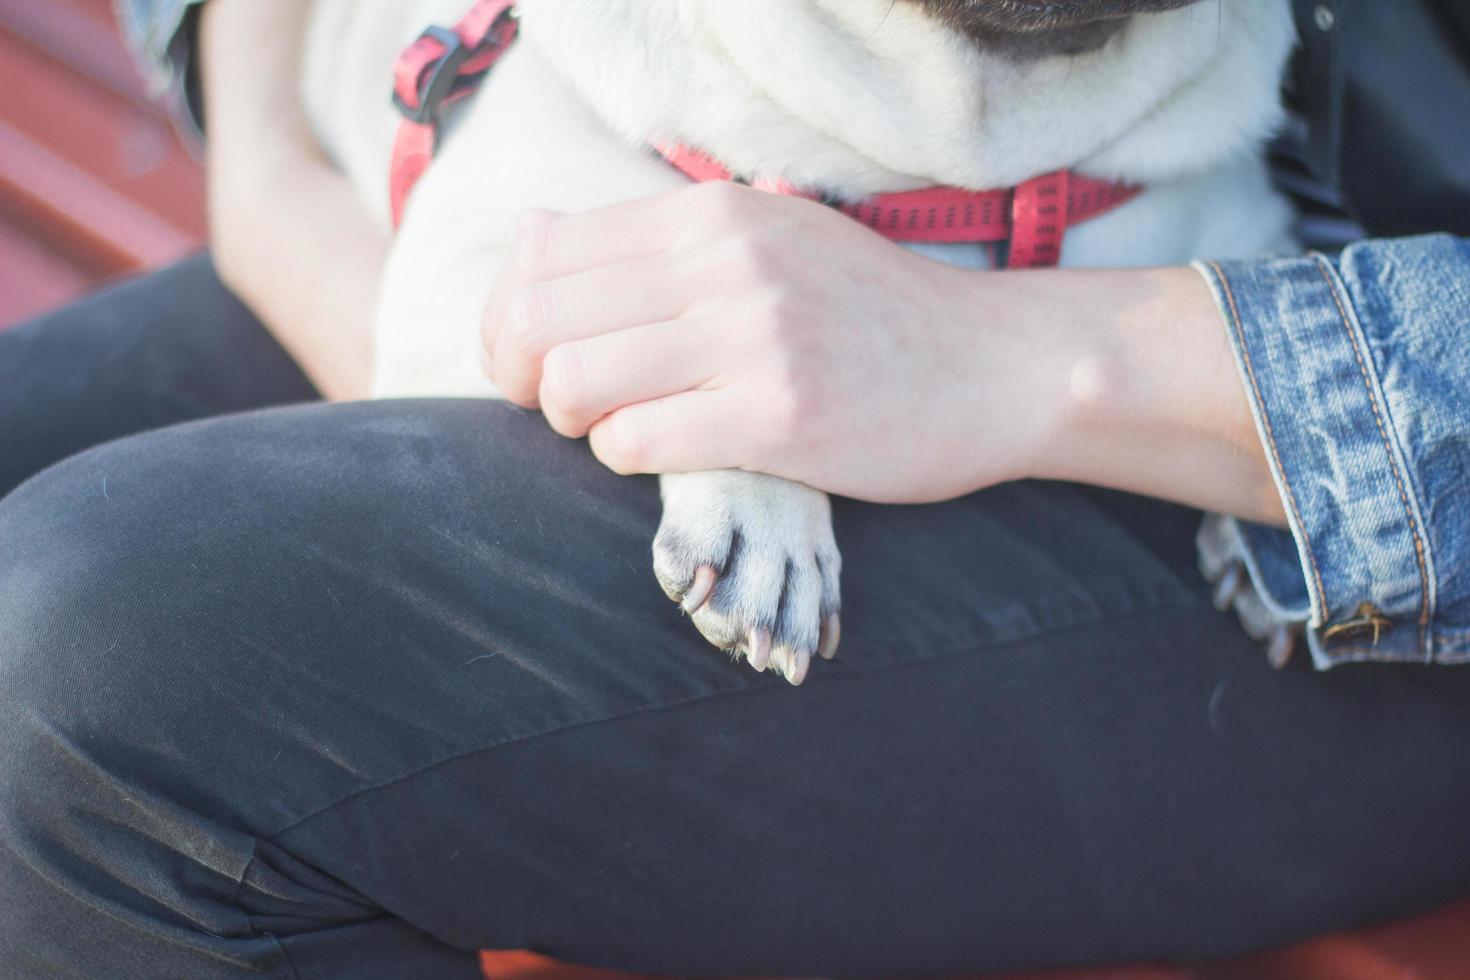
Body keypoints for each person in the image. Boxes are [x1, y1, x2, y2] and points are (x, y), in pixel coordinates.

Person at [1, 0, 1467, 975]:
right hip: (611, 137)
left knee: (113, 656)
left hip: (1327, 509)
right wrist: (263, 152)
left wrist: (1003, 359)